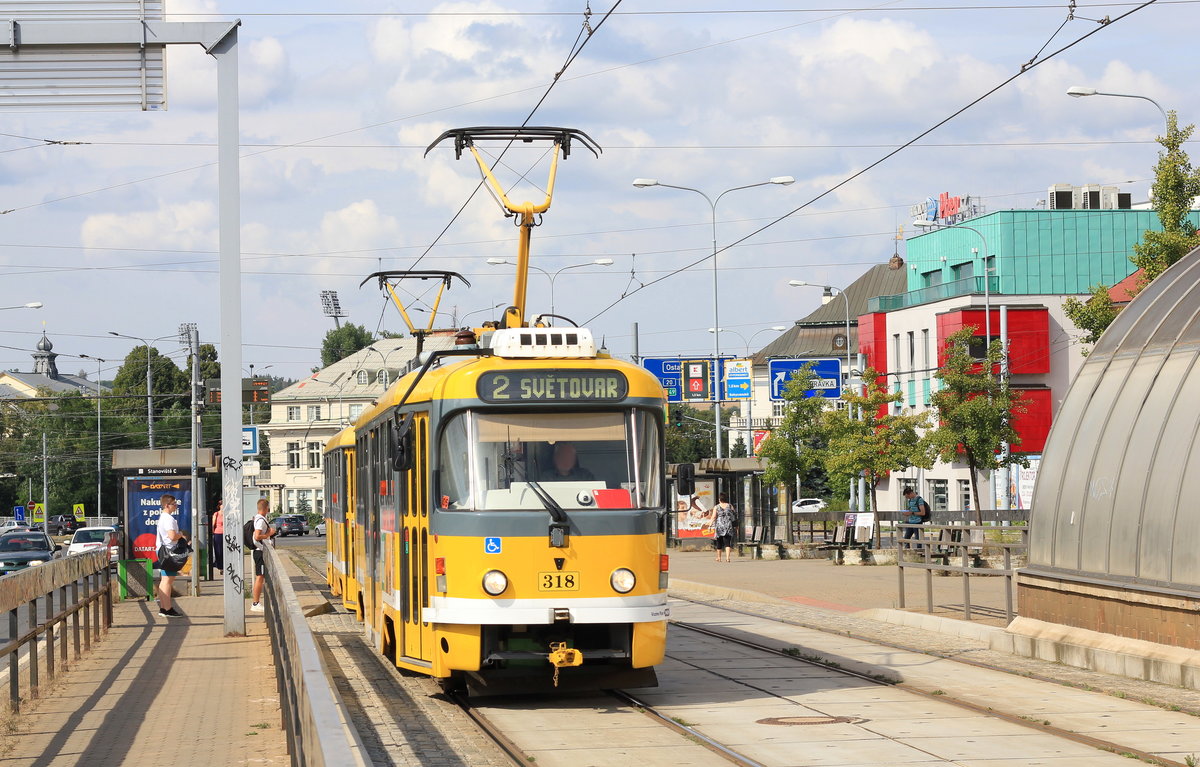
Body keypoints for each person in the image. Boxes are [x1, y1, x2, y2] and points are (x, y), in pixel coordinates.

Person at [155, 494, 186, 618]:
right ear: (167, 505)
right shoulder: (168, 519)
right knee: (168, 580)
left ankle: (164, 607)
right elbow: (172, 536)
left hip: (164, 551)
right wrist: (181, 534)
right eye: (174, 504)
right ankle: (167, 608)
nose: (176, 506)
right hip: (169, 551)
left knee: (165, 580)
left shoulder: (163, 517)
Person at [250, 498, 276, 613]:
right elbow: (257, 536)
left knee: (261, 576)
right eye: (268, 508)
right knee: (260, 577)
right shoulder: (260, 520)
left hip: (259, 551)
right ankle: (255, 603)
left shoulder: (258, 518)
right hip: (259, 552)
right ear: (265, 508)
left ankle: (258, 602)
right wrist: (269, 534)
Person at [712, 494, 736, 563]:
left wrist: (710, 524)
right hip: (728, 526)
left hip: (720, 526)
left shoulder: (716, 507)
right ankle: (728, 558)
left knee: (719, 542)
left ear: (719, 499)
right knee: (727, 543)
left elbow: (713, 517)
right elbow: (734, 516)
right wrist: (736, 526)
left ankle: (719, 558)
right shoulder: (730, 506)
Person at [211, 499, 224, 573]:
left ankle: (225, 565)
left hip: (225, 534)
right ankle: (220, 566)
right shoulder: (216, 514)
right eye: (222, 504)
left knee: (224, 550)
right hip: (218, 533)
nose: (223, 506)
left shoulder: (227, 514)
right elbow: (213, 524)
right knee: (218, 550)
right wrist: (213, 532)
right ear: (219, 506)